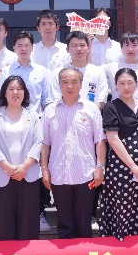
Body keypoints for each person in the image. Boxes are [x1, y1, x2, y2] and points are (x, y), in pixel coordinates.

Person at [41, 66, 107, 238]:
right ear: (59, 85)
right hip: (58, 174)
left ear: (81, 84)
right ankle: (67, 254)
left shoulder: (91, 109)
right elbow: (45, 143)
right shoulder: (50, 110)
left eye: (74, 82)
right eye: (65, 82)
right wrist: (44, 169)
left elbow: (100, 140)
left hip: (86, 174)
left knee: (84, 224)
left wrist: (100, 167)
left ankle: (84, 254)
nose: (69, 86)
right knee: (65, 224)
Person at [100, 68, 138, 239]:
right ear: (116, 85)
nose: (126, 87)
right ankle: (121, 244)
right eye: (122, 83)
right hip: (121, 167)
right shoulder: (111, 107)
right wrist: (133, 166)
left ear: (136, 84)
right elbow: (113, 139)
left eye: (130, 83)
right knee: (122, 206)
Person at [0, 75, 44, 240]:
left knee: (28, 223)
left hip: (28, 174)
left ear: (24, 93)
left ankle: (28, 254)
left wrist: (24, 167)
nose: (15, 92)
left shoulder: (33, 116)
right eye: (11, 89)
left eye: (19, 89)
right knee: (4, 222)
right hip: (2, 175)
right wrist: (8, 167)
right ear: (4, 93)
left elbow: (38, 142)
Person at [1, 31, 57, 113]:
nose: (23, 49)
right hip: (11, 117)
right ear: (14, 48)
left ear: (32, 47)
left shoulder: (41, 71)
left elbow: (47, 99)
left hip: (37, 117)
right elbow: (1, 99)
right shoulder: (6, 71)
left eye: (26, 45)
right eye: (19, 46)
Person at [59, 30, 109, 105]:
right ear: (67, 49)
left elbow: (101, 100)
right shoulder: (59, 72)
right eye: (74, 45)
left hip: (91, 112)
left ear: (88, 48)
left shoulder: (98, 72)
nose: (79, 48)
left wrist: (89, 111)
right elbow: (55, 98)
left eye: (82, 45)